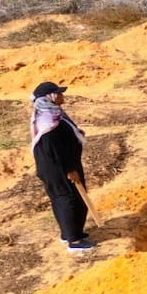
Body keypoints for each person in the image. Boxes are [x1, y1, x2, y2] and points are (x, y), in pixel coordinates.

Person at [30, 82, 93, 253]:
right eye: (57, 93)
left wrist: (75, 134)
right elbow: (55, 150)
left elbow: (63, 138)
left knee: (64, 198)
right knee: (68, 199)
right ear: (48, 97)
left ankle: (70, 233)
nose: (61, 96)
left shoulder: (52, 113)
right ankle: (75, 242)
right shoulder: (47, 121)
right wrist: (69, 169)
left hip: (59, 166)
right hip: (58, 168)